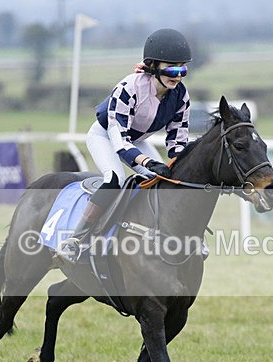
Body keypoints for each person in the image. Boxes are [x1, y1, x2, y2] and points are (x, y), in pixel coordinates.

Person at [57, 28, 192, 263]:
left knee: (167, 180)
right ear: (152, 65)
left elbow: (178, 139)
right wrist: (147, 162)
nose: (178, 75)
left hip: (137, 140)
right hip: (105, 136)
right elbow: (119, 141)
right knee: (114, 180)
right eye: (172, 69)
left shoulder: (181, 95)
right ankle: (75, 240)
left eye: (183, 69)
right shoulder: (129, 88)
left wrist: (179, 164)